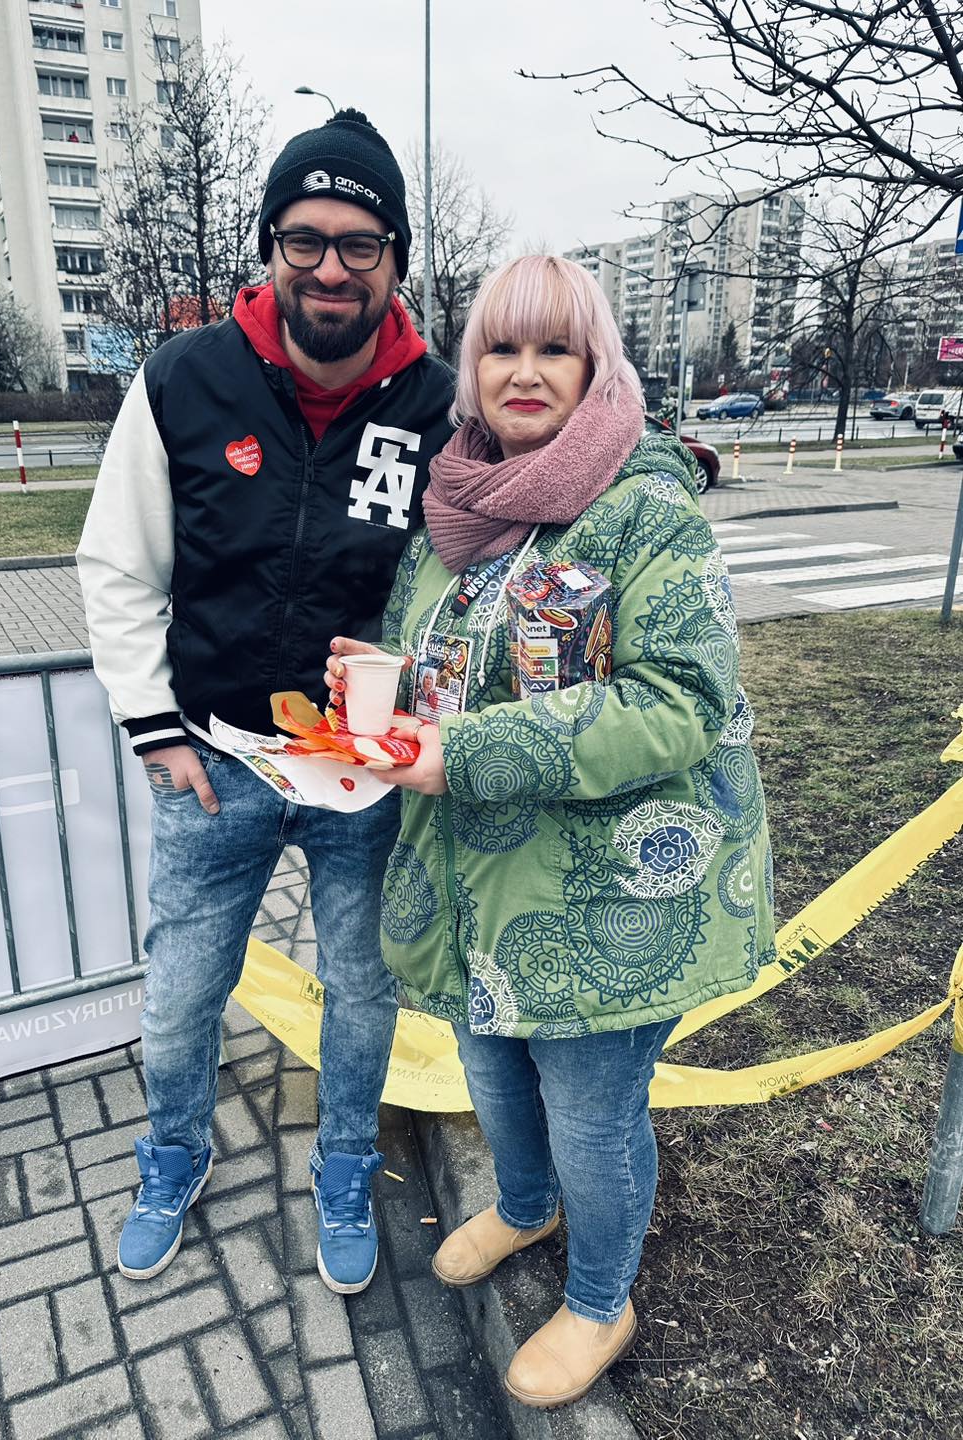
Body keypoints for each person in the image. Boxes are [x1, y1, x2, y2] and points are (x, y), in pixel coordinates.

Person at [326, 254, 774, 1407]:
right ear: (471, 370)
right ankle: (525, 1209)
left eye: (553, 348)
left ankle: (601, 1300)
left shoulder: (644, 509)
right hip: (481, 885)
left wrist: (463, 752)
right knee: (490, 1064)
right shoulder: (454, 512)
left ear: (594, 365)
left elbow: (680, 701)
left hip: (606, 896)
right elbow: (445, 667)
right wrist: (385, 682)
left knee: (591, 1111)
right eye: (501, 349)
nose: (524, 372)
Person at [77, 108, 453, 1292]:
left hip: (363, 770)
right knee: (180, 993)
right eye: (305, 239)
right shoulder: (184, 379)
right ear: (271, 248)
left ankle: (345, 1161)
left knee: (364, 991)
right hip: (217, 760)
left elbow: (479, 579)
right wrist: (155, 730)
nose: (331, 268)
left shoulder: (440, 405)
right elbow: (117, 565)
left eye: (360, 243)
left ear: (395, 258)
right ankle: (171, 1152)